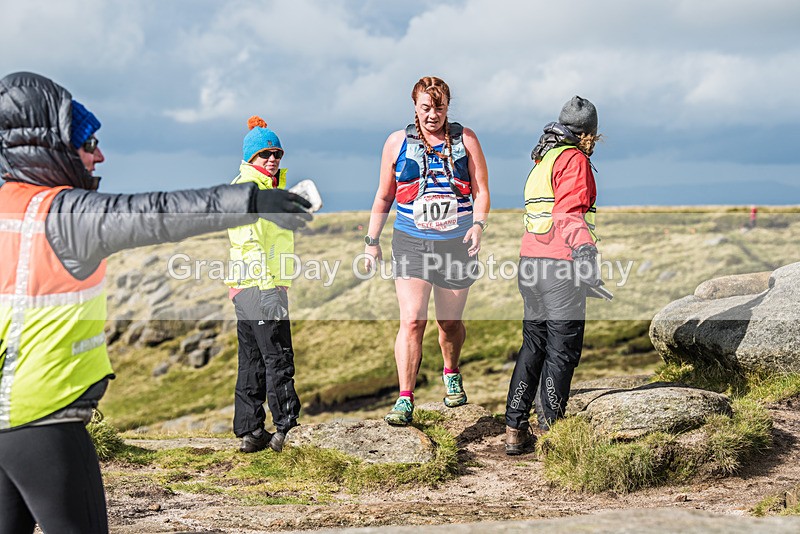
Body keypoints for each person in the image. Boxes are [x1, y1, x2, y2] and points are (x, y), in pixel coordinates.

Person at [0, 71, 311, 534]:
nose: (100, 155)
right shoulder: (64, 214)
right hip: (46, 421)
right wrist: (254, 201)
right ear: (51, 147)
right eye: (88, 144)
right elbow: (161, 212)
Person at [364, 76, 490, 426]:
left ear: (448, 107)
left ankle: (451, 371)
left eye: (439, 108)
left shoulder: (466, 140)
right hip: (410, 242)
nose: (432, 115)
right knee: (412, 320)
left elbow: (480, 191)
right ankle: (405, 398)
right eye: (425, 108)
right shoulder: (395, 143)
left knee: (448, 323)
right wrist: (371, 243)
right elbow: (384, 195)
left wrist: (478, 226)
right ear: (415, 107)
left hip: (456, 243)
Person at [504, 96, 603, 455]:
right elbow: (568, 212)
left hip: (529, 264)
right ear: (588, 134)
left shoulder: (542, 159)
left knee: (534, 344)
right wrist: (585, 252)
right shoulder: (574, 159)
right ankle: (550, 433)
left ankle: (515, 429)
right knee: (562, 351)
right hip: (560, 267)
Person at [226, 116, 300, 453]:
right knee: (278, 357)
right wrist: (270, 287)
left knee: (252, 359)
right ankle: (287, 427)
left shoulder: (270, 190)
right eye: (265, 154)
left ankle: (250, 430)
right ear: (250, 159)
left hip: (251, 287)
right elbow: (250, 243)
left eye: (278, 153)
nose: (273, 159)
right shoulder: (249, 191)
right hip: (260, 287)